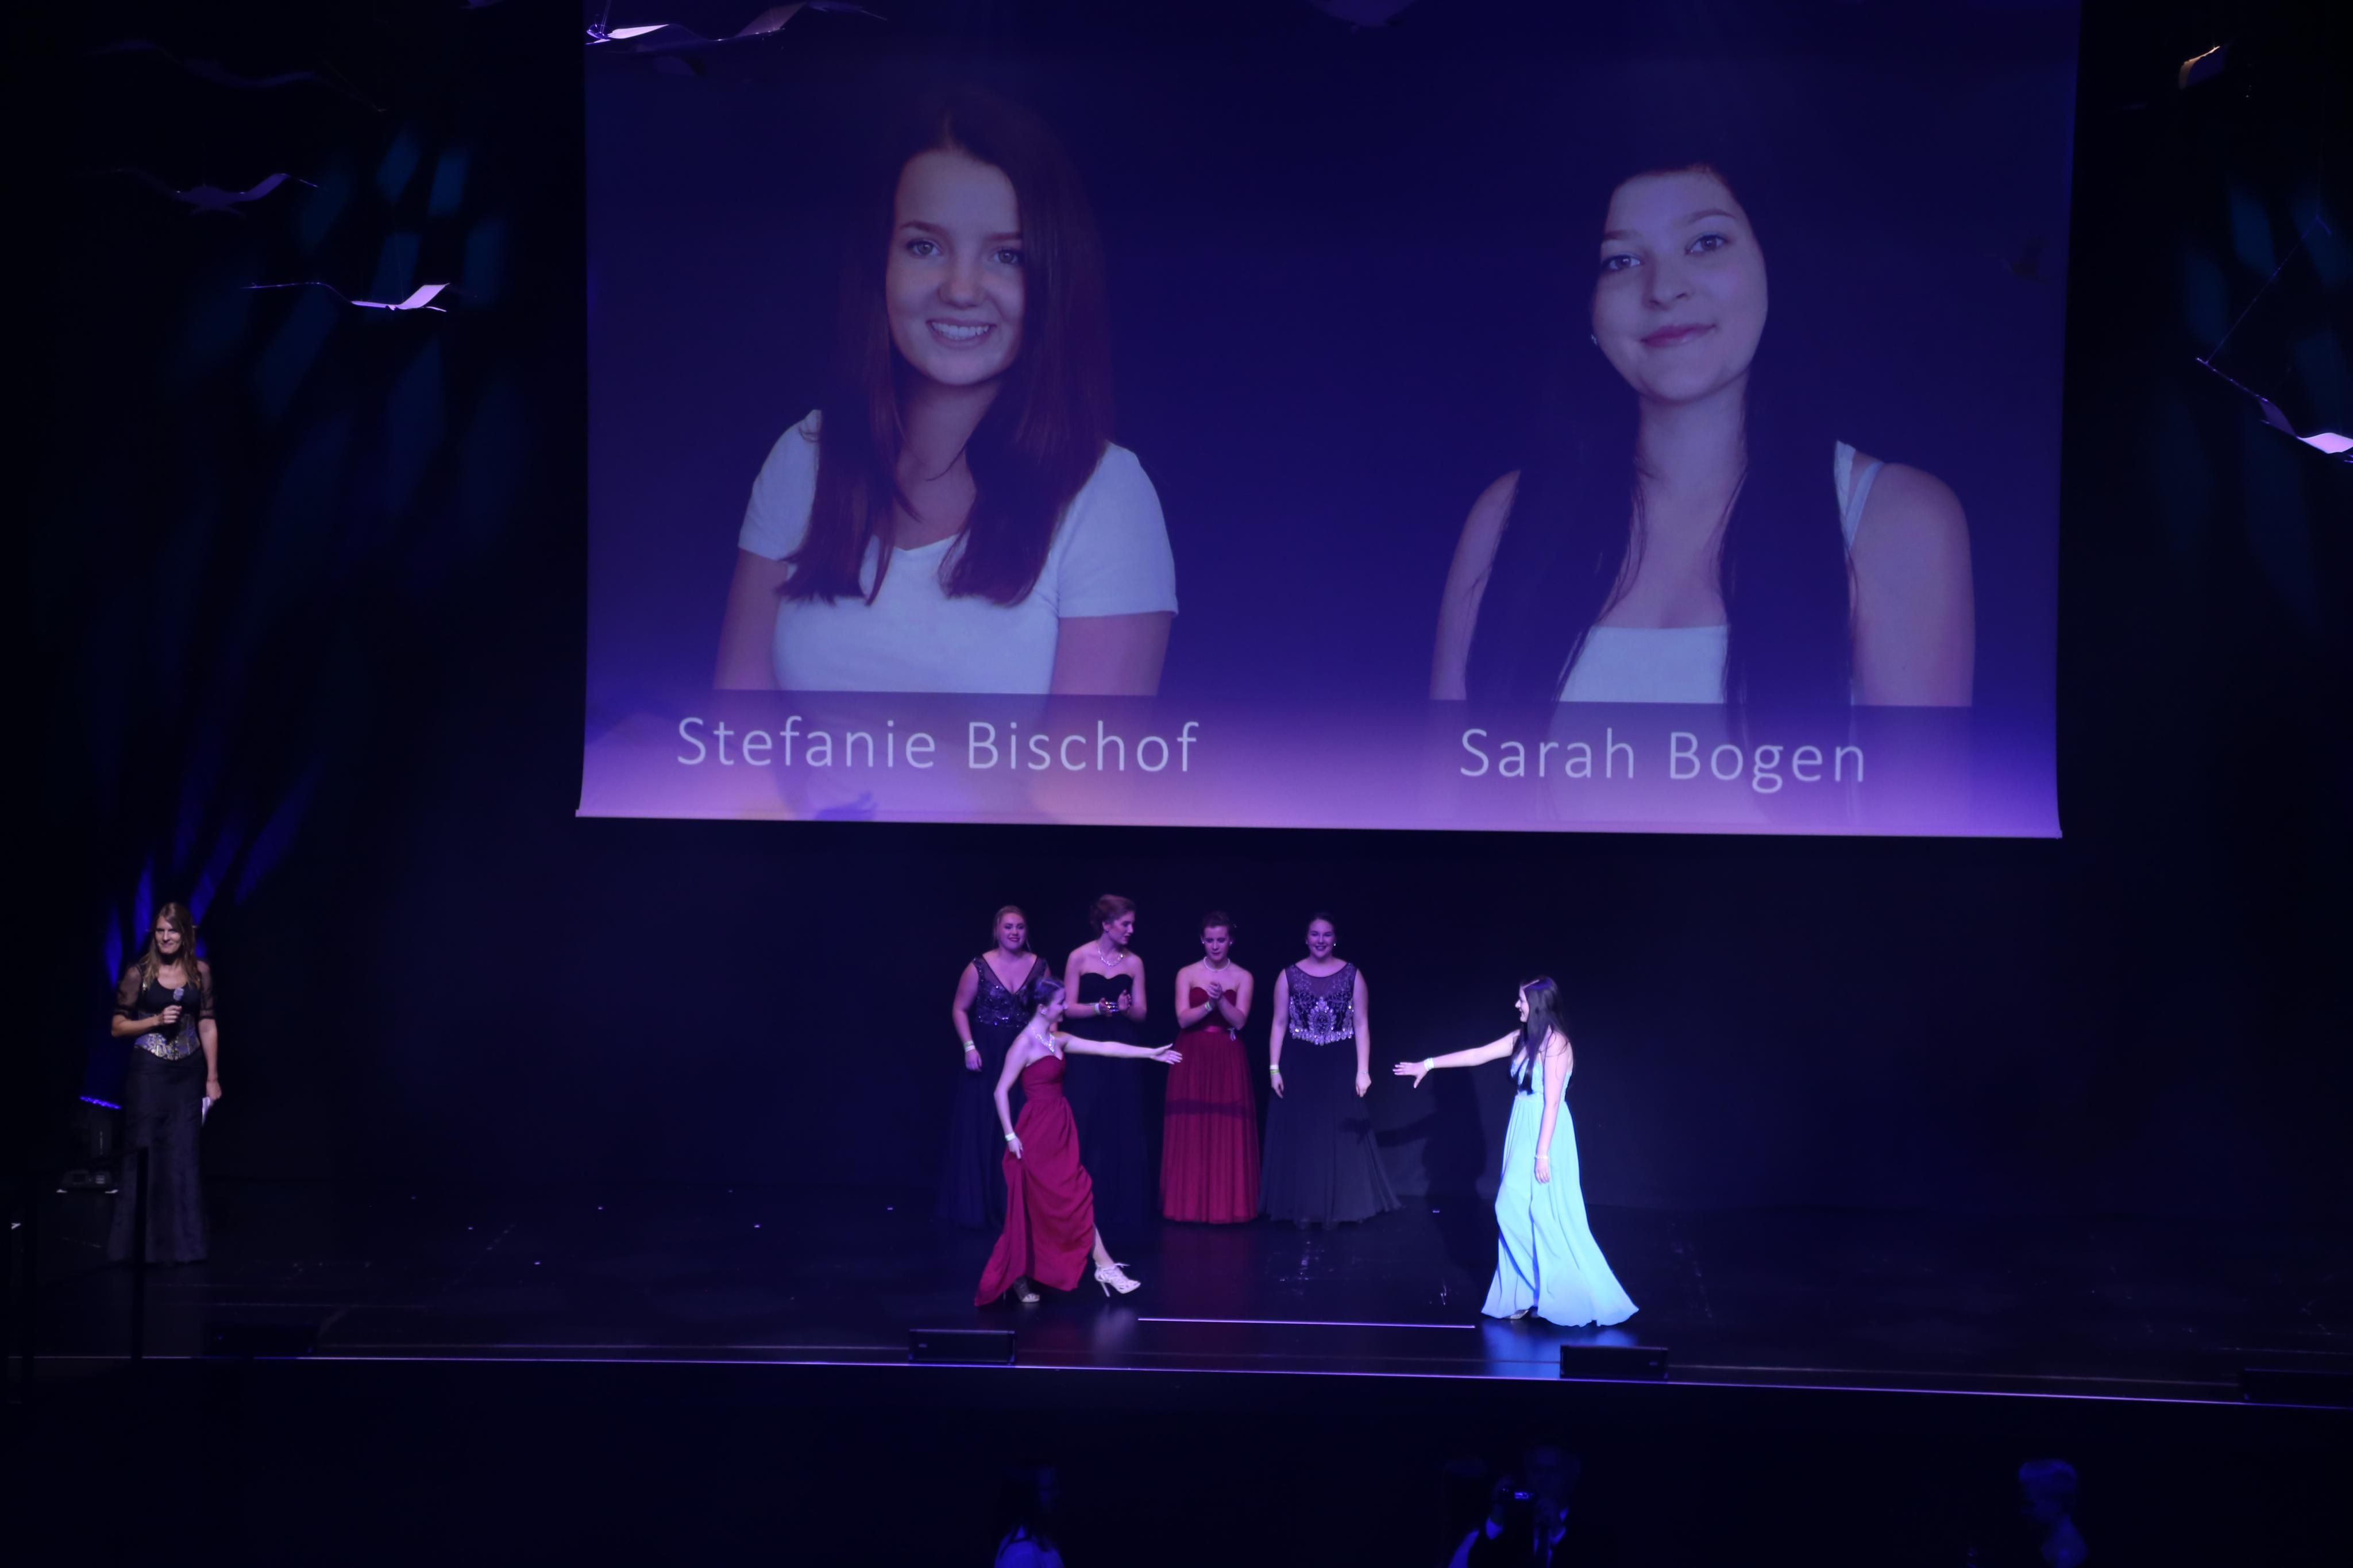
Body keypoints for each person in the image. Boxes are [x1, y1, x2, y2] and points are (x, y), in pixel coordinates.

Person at [1431, 163, 1972, 708]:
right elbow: (1448, 765)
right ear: (1588, 305)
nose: (1664, 289)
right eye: (1621, 260)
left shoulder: (1895, 519)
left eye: (1706, 243)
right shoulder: (1505, 516)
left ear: (1772, 263)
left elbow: (1920, 770)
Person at [715, 86, 1177, 694]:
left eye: (1007, 256)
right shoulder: (804, 457)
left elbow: (1090, 763)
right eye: (925, 247)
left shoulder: (1106, 496)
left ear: (1054, 276)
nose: (960, 289)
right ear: (880, 264)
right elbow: (736, 731)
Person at [1396, 979, 1635, 1327]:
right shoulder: (1521, 1038)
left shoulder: (1557, 1044)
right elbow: (1477, 1055)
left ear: (1538, 1004)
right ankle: (1530, 1293)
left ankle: (1562, 1290)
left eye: (1522, 1000)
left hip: (1545, 1131)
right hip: (1522, 1123)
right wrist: (1428, 1064)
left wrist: (1542, 1154)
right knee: (1518, 1209)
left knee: (1533, 1210)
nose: (1517, 1005)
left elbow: (1552, 1102)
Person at [977, 978, 1179, 1305]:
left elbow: (1106, 1048)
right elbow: (1000, 1091)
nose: (1065, 1007)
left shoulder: (1058, 1039)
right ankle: (1104, 1267)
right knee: (1062, 1201)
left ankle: (1023, 1274)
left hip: (1060, 1128)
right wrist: (1010, 1135)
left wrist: (1150, 1054)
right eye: (1060, 1003)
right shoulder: (1023, 1044)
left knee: (1055, 1203)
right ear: (1043, 1008)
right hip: (1035, 1134)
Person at [1261, 914, 1398, 1228]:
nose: (1320, 940)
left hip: (1340, 1061)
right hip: (1299, 1061)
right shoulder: (1288, 975)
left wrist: (1363, 1070)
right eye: (1315, 934)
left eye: (1326, 934)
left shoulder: (1352, 975)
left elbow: (1362, 1024)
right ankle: (1303, 1207)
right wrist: (1274, 1068)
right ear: (1306, 938)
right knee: (1303, 1134)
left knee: (1339, 1133)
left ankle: (1340, 1207)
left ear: (1335, 938)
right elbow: (1279, 1023)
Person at [107, 903, 219, 1264]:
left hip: (188, 1072)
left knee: (185, 1153)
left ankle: (185, 1248)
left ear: (186, 934)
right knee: (145, 1151)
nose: (166, 938)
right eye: (160, 931)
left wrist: (212, 1077)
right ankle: (139, 1247)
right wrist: (154, 1020)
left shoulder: (200, 972)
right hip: (149, 1072)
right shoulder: (138, 973)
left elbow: (207, 1022)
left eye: (173, 931)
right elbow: (117, 1026)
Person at [940, 906, 1047, 1229]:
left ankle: (1014, 1206)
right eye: (1009, 927)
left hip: (1022, 1053)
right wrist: (969, 1046)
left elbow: (1049, 1010)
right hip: (986, 1054)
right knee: (983, 1125)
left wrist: (1047, 1048)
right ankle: (978, 1206)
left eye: (1020, 927)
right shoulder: (979, 966)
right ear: (997, 931)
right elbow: (959, 1008)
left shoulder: (1039, 966)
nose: (1014, 932)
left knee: (1020, 1125)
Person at [1058, 895, 1153, 1235]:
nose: (1131, 930)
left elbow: (1141, 1013)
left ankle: (1121, 1208)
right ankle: (1079, 1206)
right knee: (1087, 1119)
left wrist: (1125, 1009)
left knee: (1121, 1121)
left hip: (1122, 1045)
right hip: (1086, 1046)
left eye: (1132, 924)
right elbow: (1067, 1007)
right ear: (1106, 924)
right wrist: (1099, 1009)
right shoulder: (1079, 957)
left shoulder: (1135, 962)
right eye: (1125, 924)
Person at [1159, 912, 1259, 1223]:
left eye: (1221, 940)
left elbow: (1240, 1021)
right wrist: (1208, 1004)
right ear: (1202, 940)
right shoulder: (1187, 973)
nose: (1216, 946)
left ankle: (1227, 1207)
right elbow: (1182, 1019)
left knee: (1225, 1128)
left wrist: (1222, 1002)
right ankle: (1186, 1206)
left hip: (1227, 1054)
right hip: (1192, 1053)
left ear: (1230, 941)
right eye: (1210, 940)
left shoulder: (1243, 976)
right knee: (1192, 1128)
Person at [991, 1461, 1065, 1567]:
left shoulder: (1042, 1540)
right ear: (1029, 1496)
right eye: (1050, 1488)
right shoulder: (1023, 1554)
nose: (1057, 1494)